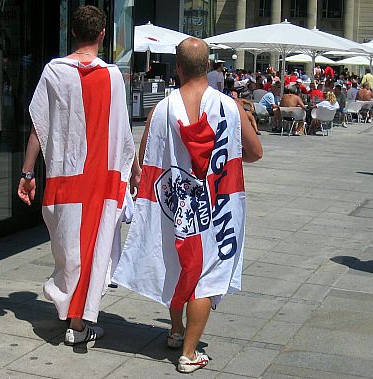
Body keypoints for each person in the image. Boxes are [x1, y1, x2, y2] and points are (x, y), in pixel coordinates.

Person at [112, 37, 262, 373]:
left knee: (178, 265)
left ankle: (177, 331)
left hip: (175, 206)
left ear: (177, 68)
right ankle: (190, 353)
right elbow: (254, 153)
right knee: (207, 274)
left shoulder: (162, 109)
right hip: (217, 205)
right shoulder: (229, 107)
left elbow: (145, 159)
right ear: (208, 67)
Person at [17, 5, 140, 345]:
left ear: (72, 33)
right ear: (102, 35)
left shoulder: (54, 71)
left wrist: (28, 172)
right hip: (101, 180)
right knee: (93, 247)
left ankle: (76, 319)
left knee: (71, 250)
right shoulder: (113, 75)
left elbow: (38, 128)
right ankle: (78, 322)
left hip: (65, 178)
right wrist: (136, 173)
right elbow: (122, 133)